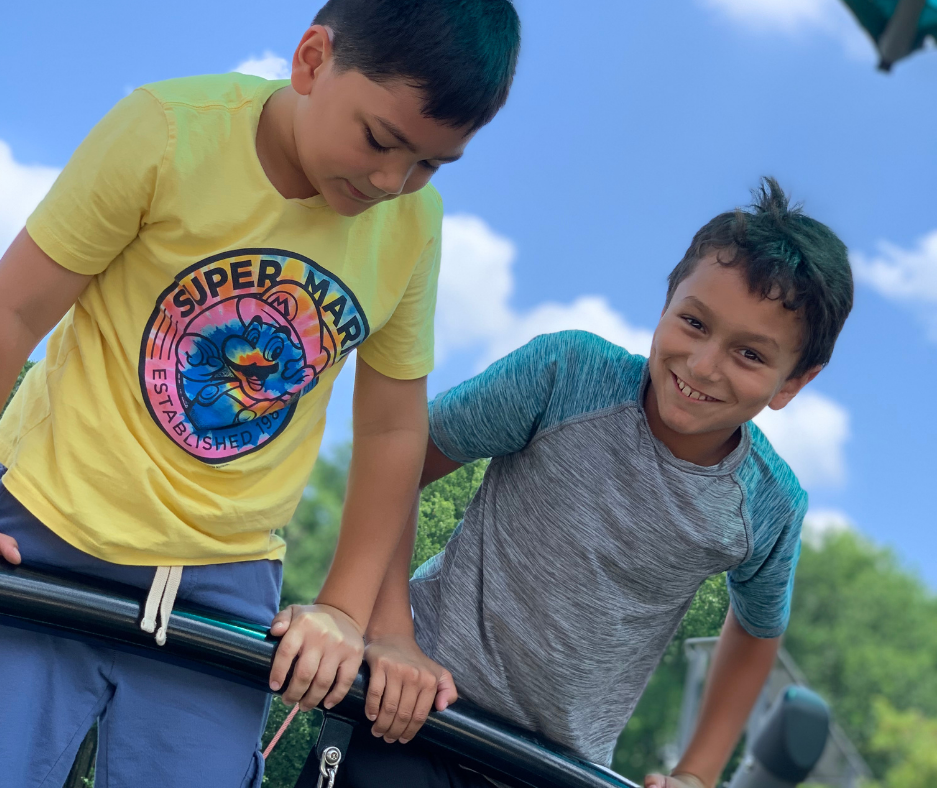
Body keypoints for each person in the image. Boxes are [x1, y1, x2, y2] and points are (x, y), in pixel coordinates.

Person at [0, 1, 520, 786]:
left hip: (226, 577)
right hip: (50, 526)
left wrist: (344, 609)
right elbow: (14, 309)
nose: (391, 180)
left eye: (429, 164)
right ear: (313, 59)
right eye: (380, 139)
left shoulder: (413, 223)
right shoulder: (166, 132)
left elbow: (389, 429)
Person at [340, 178, 854, 788]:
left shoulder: (768, 503)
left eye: (750, 355)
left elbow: (757, 627)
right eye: (693, 322)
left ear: (793, 382)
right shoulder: (565, 374)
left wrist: (697, 772)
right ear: (666, 305)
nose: (704, 364)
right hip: (417, 704)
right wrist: (391, 631)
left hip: (559, 768)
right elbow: (401, 460)